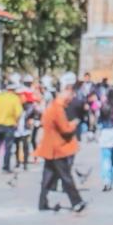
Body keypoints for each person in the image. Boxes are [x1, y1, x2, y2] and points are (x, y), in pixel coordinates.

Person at [34, 72, 86, 212]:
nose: (71, 98)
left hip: (50, 147)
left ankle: (42, 203)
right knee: (66, 177)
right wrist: (74, 124)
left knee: (48, 177)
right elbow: (65, 129)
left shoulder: (53, 107)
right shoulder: (57, 109)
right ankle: (77, 202)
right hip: (58, 148)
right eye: (70, 95)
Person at [0, 75, 23, 173]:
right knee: (8, 147)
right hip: (10, 125)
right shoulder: (15, 98)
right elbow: (19, 112)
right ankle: (5, 166)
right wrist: (16, 121)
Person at [98, 88, 113, 191]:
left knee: (105, 159)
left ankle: (106, 180)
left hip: (105, 133)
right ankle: (111, 181)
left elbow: (98, 119)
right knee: (112, 160)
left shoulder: (104, 105)